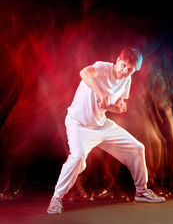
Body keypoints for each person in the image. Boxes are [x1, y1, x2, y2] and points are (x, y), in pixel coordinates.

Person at [47, 48, 166, 214]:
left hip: (101, 125)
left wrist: (119, 107)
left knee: (137, 148)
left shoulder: (126, 80)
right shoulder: (103, 68)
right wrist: (102, 93)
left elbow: (112, 106)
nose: (125, 71)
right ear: (118, 60)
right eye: (123, 65)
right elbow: (84, 73)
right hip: (79, 125)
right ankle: (56, 198)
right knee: (78, 157)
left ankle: (141, 191)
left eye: (130, 69)